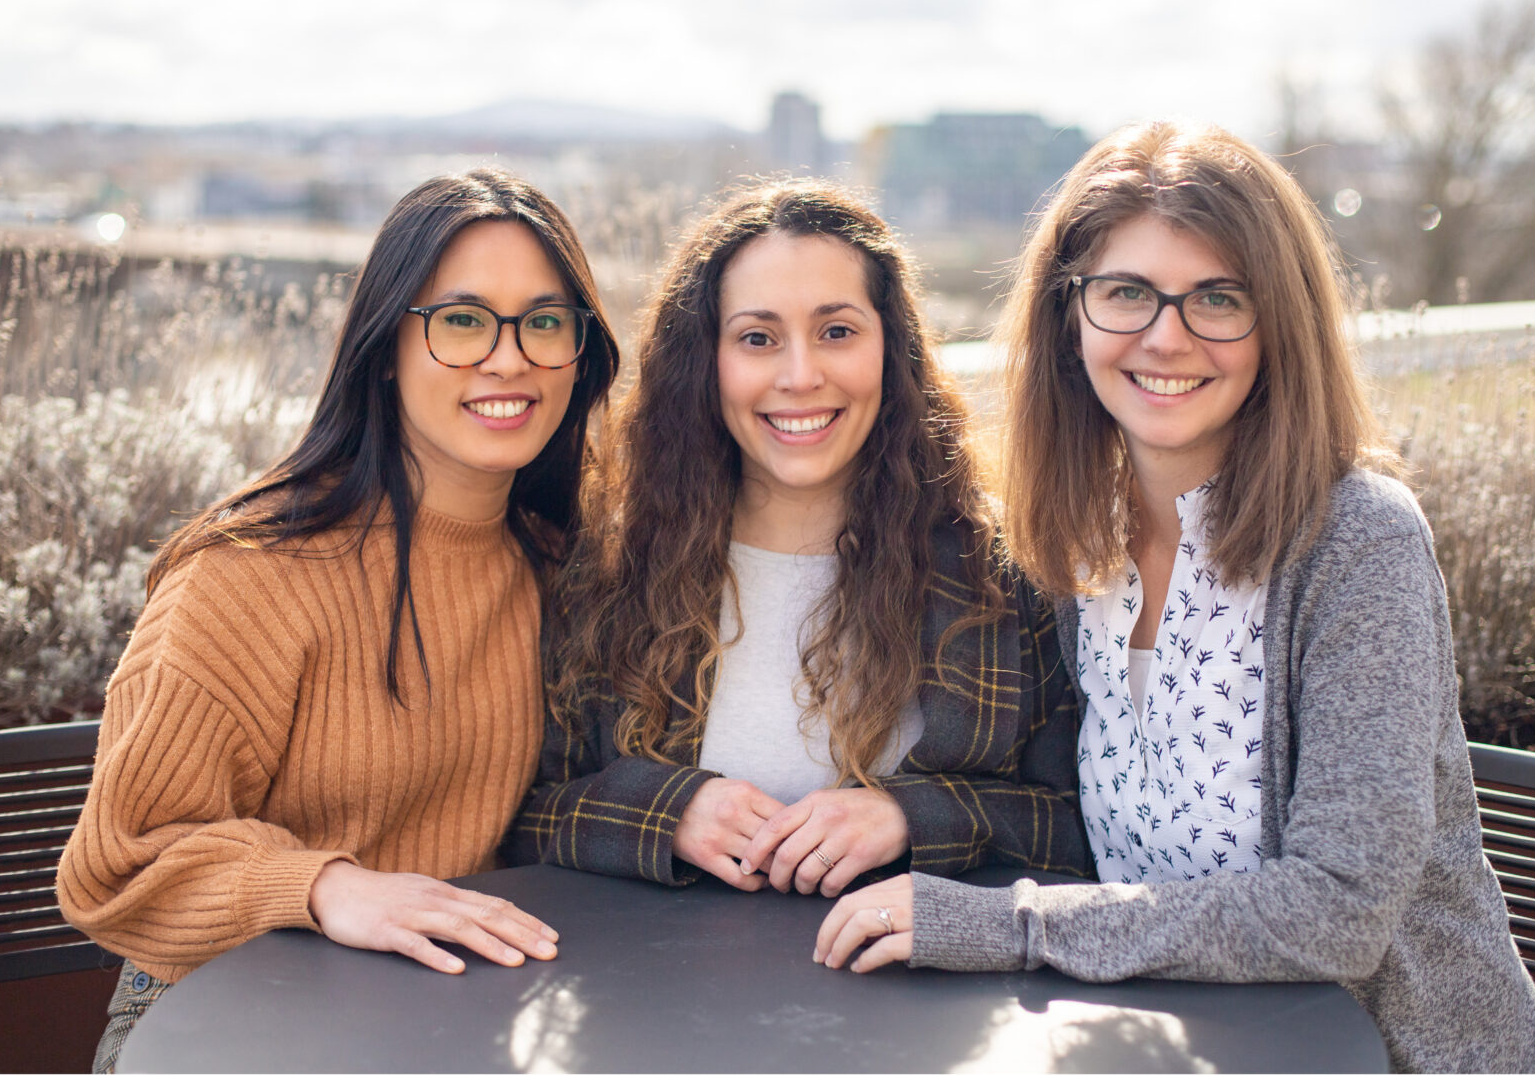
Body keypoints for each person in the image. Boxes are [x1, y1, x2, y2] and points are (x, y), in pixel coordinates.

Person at [813, 121, 1535, 1073]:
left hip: (1387, 1058)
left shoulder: (1359, 542)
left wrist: (1010, 925)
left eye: (1218, 298)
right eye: (1126, 293)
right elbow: (1099, 817)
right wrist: (915, 818)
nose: (1167, 336)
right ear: (1068, 315)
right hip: (1164, 1046)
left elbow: (1336, 913)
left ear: (1276, 321)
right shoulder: (1076, 537)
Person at [56, 167, 621, 1072]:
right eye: (463, 320)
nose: (509, 357)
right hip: (220, 1018)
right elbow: (117, 863)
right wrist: (323, 886)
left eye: (544, 323)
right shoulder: (251, 574)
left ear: (580, 355)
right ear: (384, 346)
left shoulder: (559, 562)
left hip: (446, 1016)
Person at [504, 180, 1087, 895]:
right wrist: (666, 814)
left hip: (917, 1000)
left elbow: (1072, 829)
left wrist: (909, 817)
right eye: (758, 338)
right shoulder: (611, 567)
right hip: (657, 996)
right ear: (704, 362)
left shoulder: (999, 576)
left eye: (837, 332)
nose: (801, 375)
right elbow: (525, 818)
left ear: (890, 349)